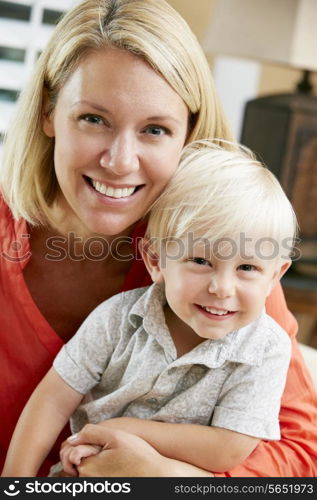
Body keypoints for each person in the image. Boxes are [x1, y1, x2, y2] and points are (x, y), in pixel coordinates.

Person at [0, 0, 316, 478]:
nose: (121, 161)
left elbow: (298, 459)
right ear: (49, 112)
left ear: (186, 135)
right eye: (93, 119)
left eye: (154, 129)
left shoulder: (221, 255)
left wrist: (161, 478)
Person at [2, 141, 295, 477]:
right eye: (200, 261)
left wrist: (125, 430)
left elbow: (227, 449)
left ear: (275, 276)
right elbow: (53, 400)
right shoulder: (117, 318)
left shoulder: (265, 348)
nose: (222, 288)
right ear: (156, 261)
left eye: (247, 268)